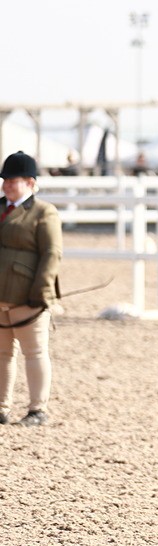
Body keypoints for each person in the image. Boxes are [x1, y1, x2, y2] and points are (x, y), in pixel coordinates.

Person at [0, 151, 62, 426]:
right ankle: (2, 407)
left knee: (35, 352)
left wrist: (42, 292)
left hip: (27, 295)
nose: (7, 186)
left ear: (30, 182)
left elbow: (51, 252)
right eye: (5, 181)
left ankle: (38, 408)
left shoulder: (42, 212)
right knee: (2, 355)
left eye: (13, 181)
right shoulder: (0, 208)